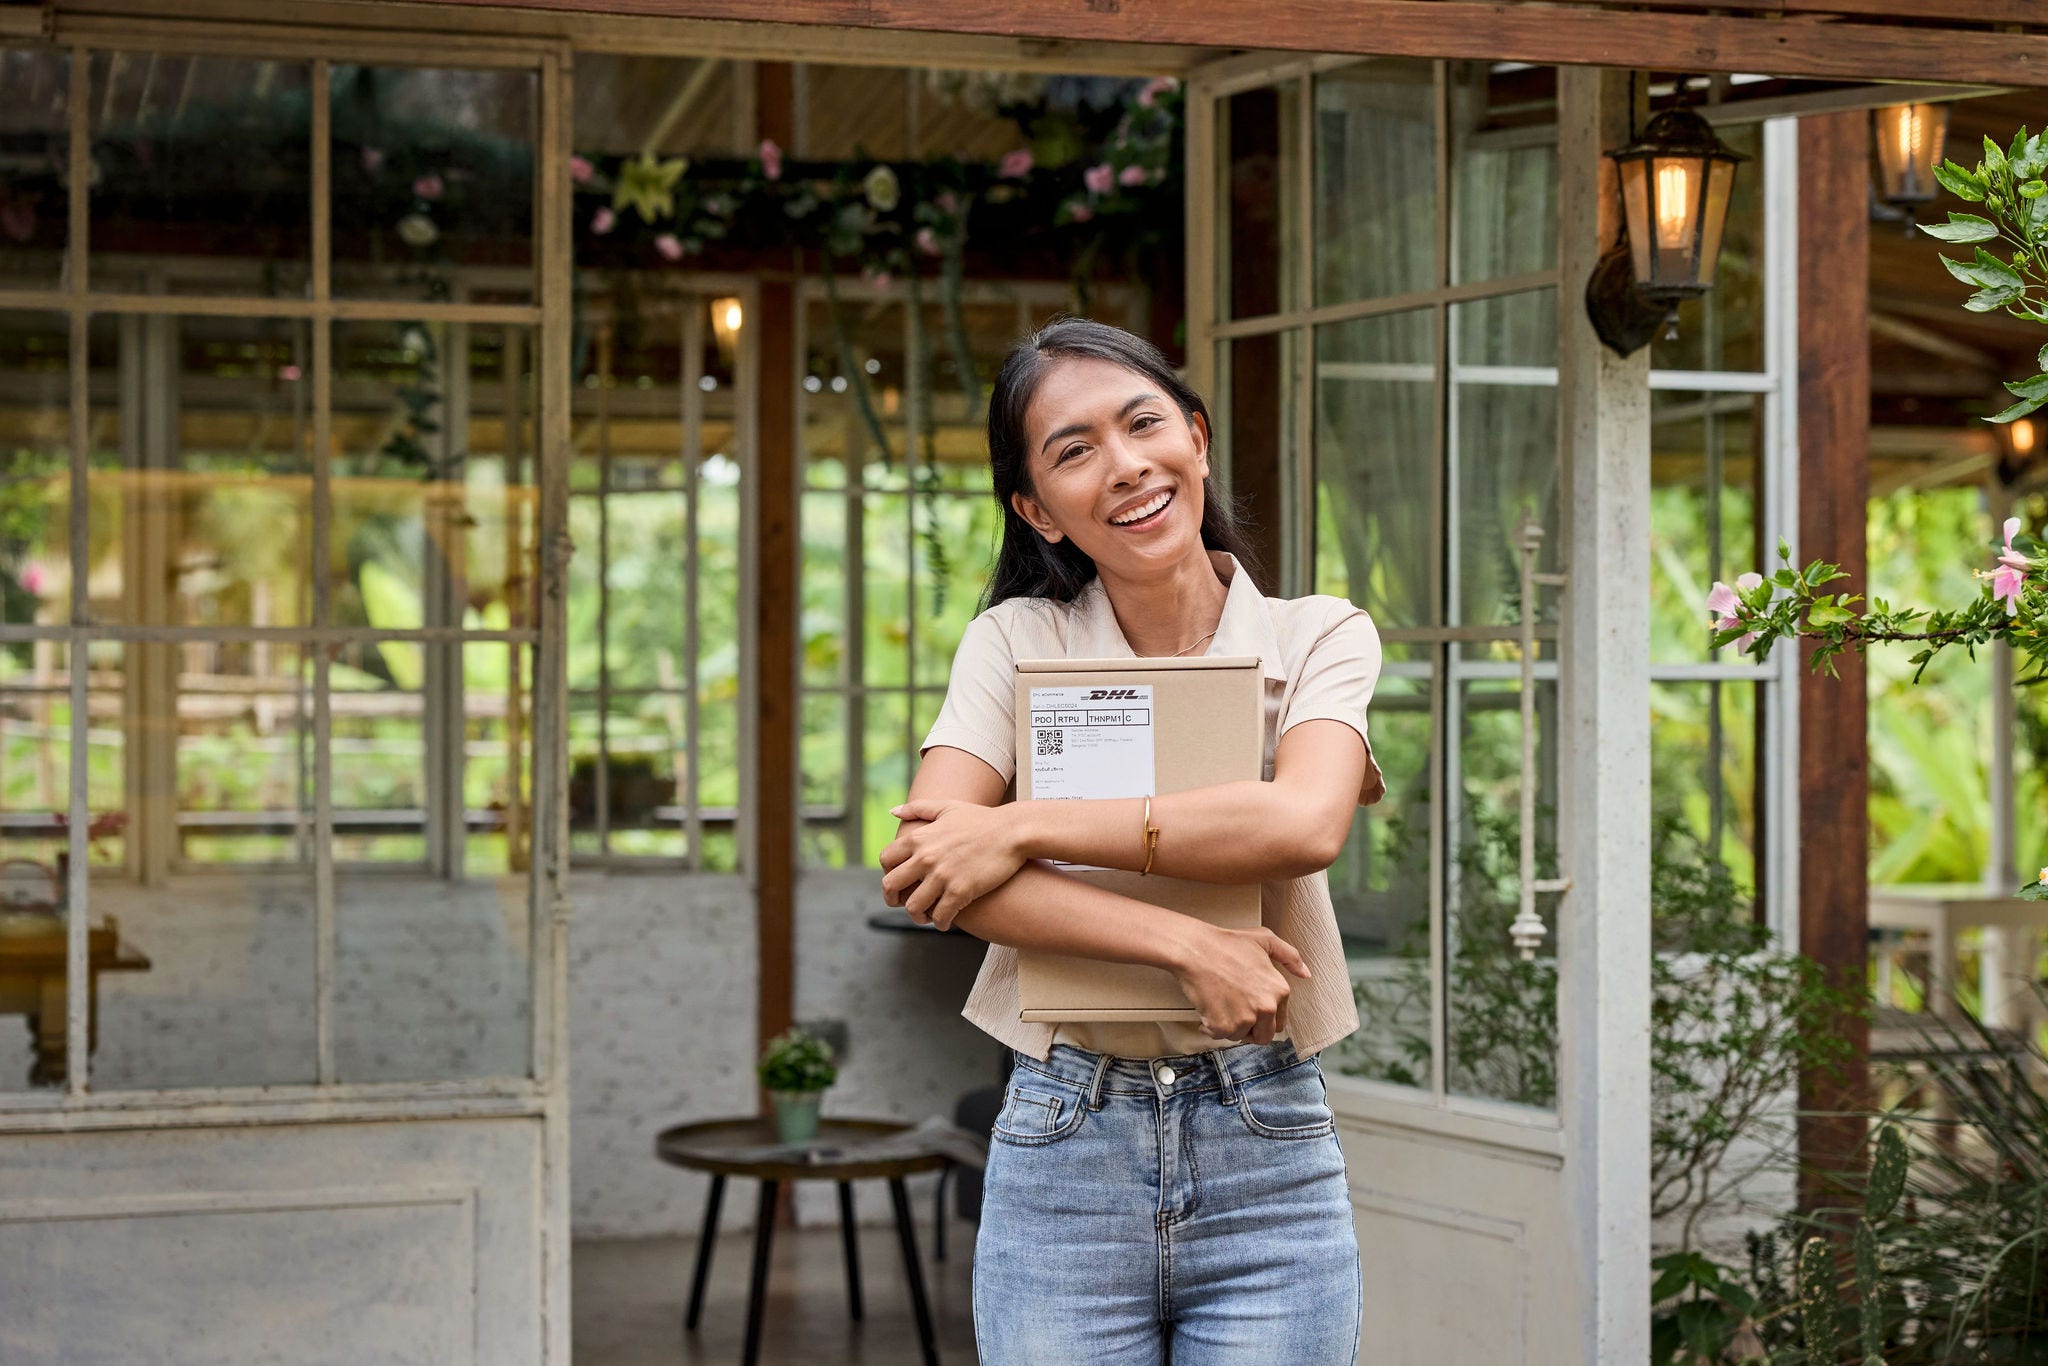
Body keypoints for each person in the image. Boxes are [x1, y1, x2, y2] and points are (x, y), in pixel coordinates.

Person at [879, 317, 1384, 1365]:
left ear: (1195, 438)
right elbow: (935, 869)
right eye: (1072, 450)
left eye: (1142, 422)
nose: (1124, 466)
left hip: (1267, 1142)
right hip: (1064, 1137)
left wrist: (1018, 823)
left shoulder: (1317, 634)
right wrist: (1185, 944)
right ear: (1036, 509)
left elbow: (1301, 823)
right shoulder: (1015, 640)